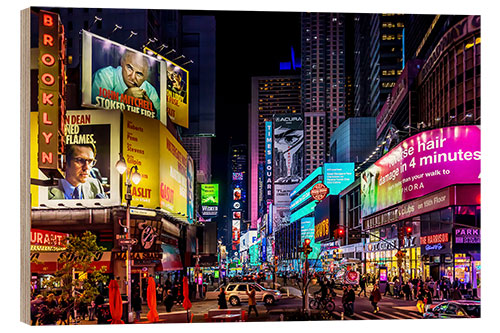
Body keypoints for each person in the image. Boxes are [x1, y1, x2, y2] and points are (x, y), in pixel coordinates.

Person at [92, 50, 160, 113]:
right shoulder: (105, 75)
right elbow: (95, 110)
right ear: (122, 63)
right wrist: (124, 99)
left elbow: (161, 121)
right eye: (129, 68)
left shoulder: (150, 91)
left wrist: (151, 110)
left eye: (139, 74)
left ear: (145, 77)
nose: (132, 77)